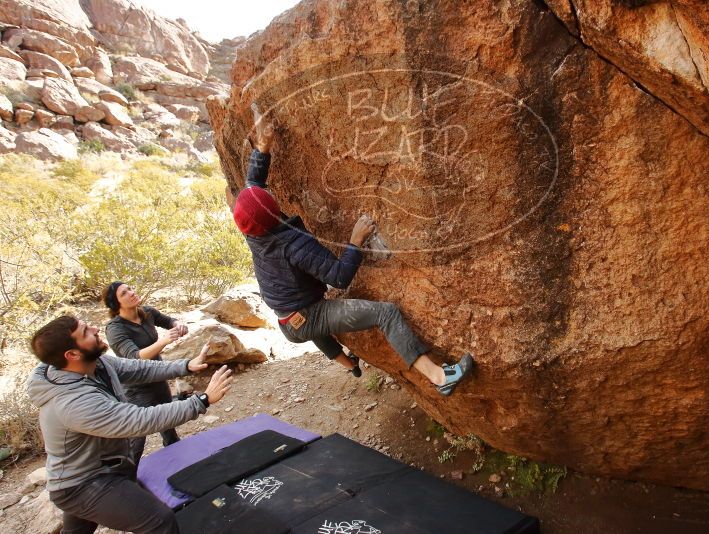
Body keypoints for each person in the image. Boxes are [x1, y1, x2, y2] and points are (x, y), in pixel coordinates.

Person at [231, 111, 473, 396]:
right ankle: (440, 378)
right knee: (387, 314)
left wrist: (264, 143)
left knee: (313, 326)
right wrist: (355, 240)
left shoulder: (250, 228)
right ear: (273, 213)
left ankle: (349, 365)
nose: (266, 192)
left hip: (287, 322)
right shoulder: (294, 245)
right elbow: (339, 276)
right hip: (308, 316)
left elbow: (253, 182)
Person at [27, 314, 233, 534]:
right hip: (84, 484)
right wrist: (202, 400)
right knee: (160, 521)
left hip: (97, 470)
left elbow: (139, 369)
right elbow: (141, 420)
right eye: (86, 332)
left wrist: (186, 366)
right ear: (72, 354)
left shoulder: (96, 364)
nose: (96, 329)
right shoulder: (72, 403)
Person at [102, 281, 188, 464]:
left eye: (130, 289)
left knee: (168, 423)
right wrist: (164, 341)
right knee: (137, 437)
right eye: (124, 293)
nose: (131, 293)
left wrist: (178, 324)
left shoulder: (146, 312)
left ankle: (180, 464)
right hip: (136, 388)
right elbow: (135, 357)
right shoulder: (115, 328)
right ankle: (126, 476)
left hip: (158, 377)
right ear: (115, 304)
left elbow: (167, 320)